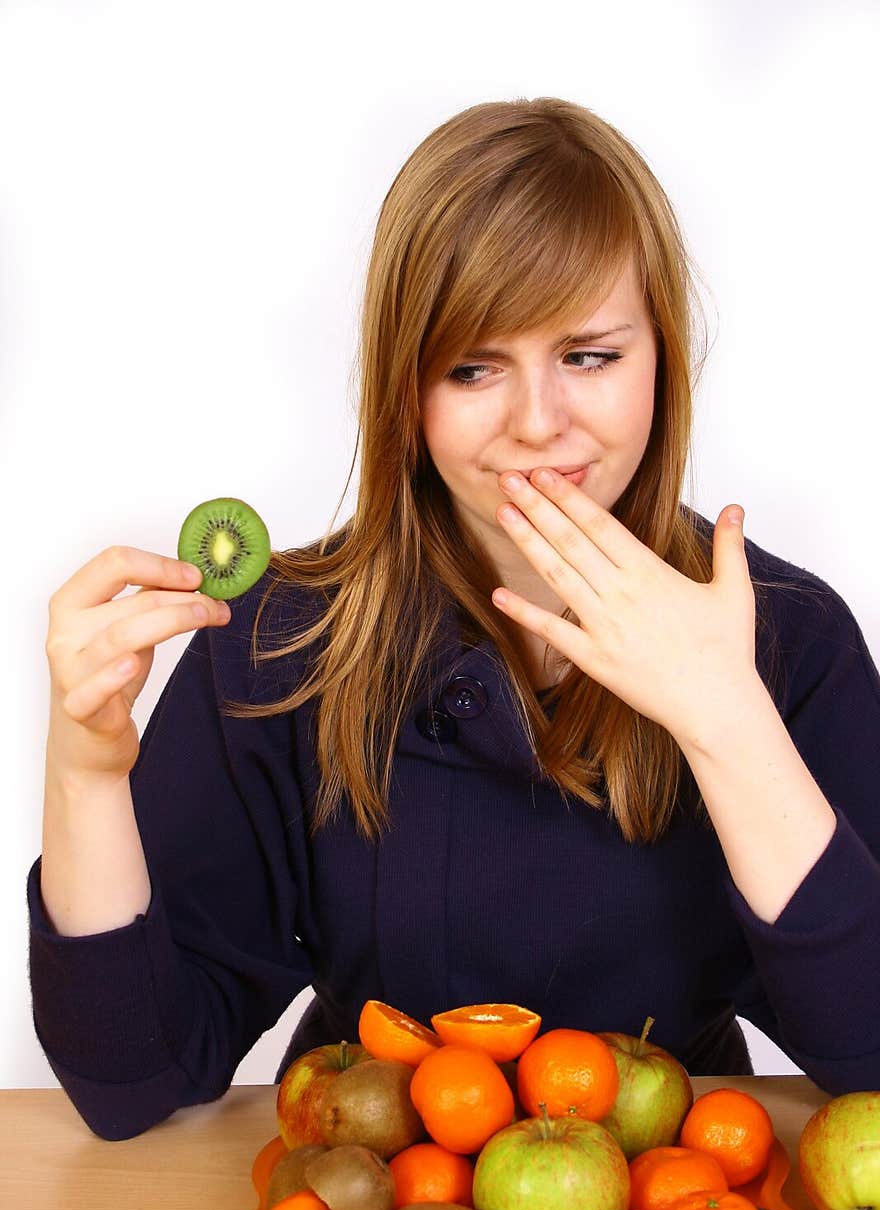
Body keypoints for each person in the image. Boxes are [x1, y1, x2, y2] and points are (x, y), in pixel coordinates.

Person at [29, 97, 880, 1142]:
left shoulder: (788, 638)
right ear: (405, 387)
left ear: (662, 355)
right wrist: (85, 769)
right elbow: (135, 1079)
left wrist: (725, 719)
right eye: (473, 367)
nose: (535, 422)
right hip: (371, 1200)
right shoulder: (278, 643)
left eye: (590, 356)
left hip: (684, 1202)